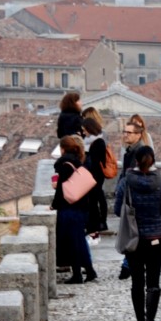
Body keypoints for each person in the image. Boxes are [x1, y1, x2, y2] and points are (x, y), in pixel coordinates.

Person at [114, 145, 161, 321]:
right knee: (153, 282)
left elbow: (116, 210)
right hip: (155, 238)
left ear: (135, 161)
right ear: (153, 160)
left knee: (137, 281)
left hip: (134, 239)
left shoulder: (126, 183)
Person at [51, 135, 97, 283]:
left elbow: (61, 190)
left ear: (62, 149)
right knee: (79, 241)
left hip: (69, 208)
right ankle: (89, 271)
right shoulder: (78, 162)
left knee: (72, 243)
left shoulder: (64, 165)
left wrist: (54, 205)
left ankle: (77, 274)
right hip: (82, 207)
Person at [116, 115, 151, 280]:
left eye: (129, 133)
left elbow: (134, 176)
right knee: (131, 233)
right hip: (129, 197)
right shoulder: (130, 151)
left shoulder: (140, 151)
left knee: (132, 233)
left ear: (138, 135)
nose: (125, 135)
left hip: (135, 199)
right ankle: (129, 264)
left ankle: (128, 266)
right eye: (124, 132)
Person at [81, 107, 111, 237]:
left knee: (95, 199)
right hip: (95, 175)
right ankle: (98, 224)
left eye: (84, 129)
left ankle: (97, 225)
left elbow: (95, 161)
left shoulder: (98, 142)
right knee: (96, 198)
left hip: (95, 175)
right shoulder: (95, 140)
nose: (83, 132)